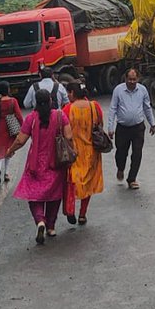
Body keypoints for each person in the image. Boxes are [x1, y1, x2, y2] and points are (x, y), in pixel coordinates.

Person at [6, 89, 75, 244]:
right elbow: (69, 136)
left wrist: (10, 151)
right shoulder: (59, 116)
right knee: (54, 195)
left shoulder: (32, 118)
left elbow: (20, 140)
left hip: (35, 165)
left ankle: (40, 221)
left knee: (34, 196)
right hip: (55, 163)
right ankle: (51, 226)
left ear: (36, 102)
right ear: (51, 100)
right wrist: (72, 153)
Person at [62, 81, 104, 225]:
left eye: (68, 93)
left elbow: (62, 131)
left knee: (72, 181)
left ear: (73, 93)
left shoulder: (67, 109)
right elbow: (100, 125)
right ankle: (82, 214)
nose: (67, 95)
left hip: (73, 153)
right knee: (88, 183)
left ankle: (70, 209)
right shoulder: (94, 106)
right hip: (91, 152)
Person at [107, 68, 155, 189]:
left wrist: (152, 123)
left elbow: (147, 107)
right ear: (125, 79)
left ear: (138, 79)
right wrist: (110, 127)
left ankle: (132, 178)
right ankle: (120, 168)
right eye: (130, 79)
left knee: (137, 153)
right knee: (121, 153)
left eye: (134, 79)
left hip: (138, 127)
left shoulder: (142, 90)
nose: (132, 82)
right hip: (122, 128)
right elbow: (112, 109)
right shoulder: (118, 90)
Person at [0, 82, 23, 185]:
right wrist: (23, 126)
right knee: (9, 149)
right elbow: (19, 116)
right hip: (10, 128)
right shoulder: (13, 101)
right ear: (7, 90)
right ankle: (6, 173)